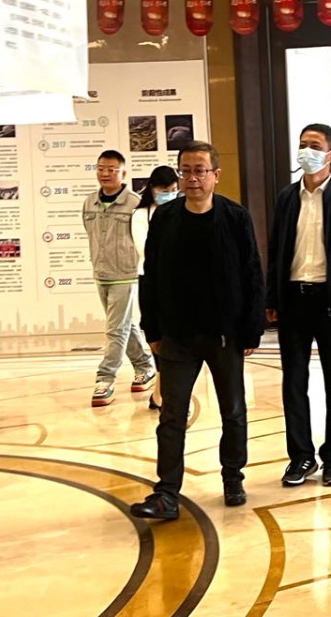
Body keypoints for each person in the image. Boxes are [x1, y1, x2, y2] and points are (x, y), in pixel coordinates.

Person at [133, 142, 265, 520]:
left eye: (200, 170)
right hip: (177, 335)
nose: (192, 178)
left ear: (215, 175)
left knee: (233, 411)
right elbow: (151, 275)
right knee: (171, 415)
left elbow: (252, 273)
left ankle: (233, 477)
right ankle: (166, 493)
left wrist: (252, 330)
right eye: (186, 171)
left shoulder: (235, 217)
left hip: (225, 334)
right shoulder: (165, 218)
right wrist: (151, 328)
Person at [267, 123, 331, 488]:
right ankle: (300, 457)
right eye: (302, 144)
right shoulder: (286, 197)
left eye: (314, 145)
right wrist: (271, 297)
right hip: (294, 299)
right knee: (293, 382)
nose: (306, 151)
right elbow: (276, 252)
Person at [83, 149, 156, 408]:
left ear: (123, 173)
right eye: (101, 168)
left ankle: (105, 379)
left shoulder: (134, 203)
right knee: (124, 326)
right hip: (101, 273)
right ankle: (145, 367)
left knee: (115, 329)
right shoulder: (89, 202)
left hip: (125, 274)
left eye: (111, 169)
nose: (105, 173)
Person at [133, 165, 179, 413]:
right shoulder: (141, 215)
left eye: (173, 189)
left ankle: (162, 392)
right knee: (157, 337)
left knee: (176, 337)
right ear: (152, 189)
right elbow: (145, 249)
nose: (168, 194)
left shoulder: (182, 209)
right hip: (151, 281)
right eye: (163, 190)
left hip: (178, 282)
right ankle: (161, 391)